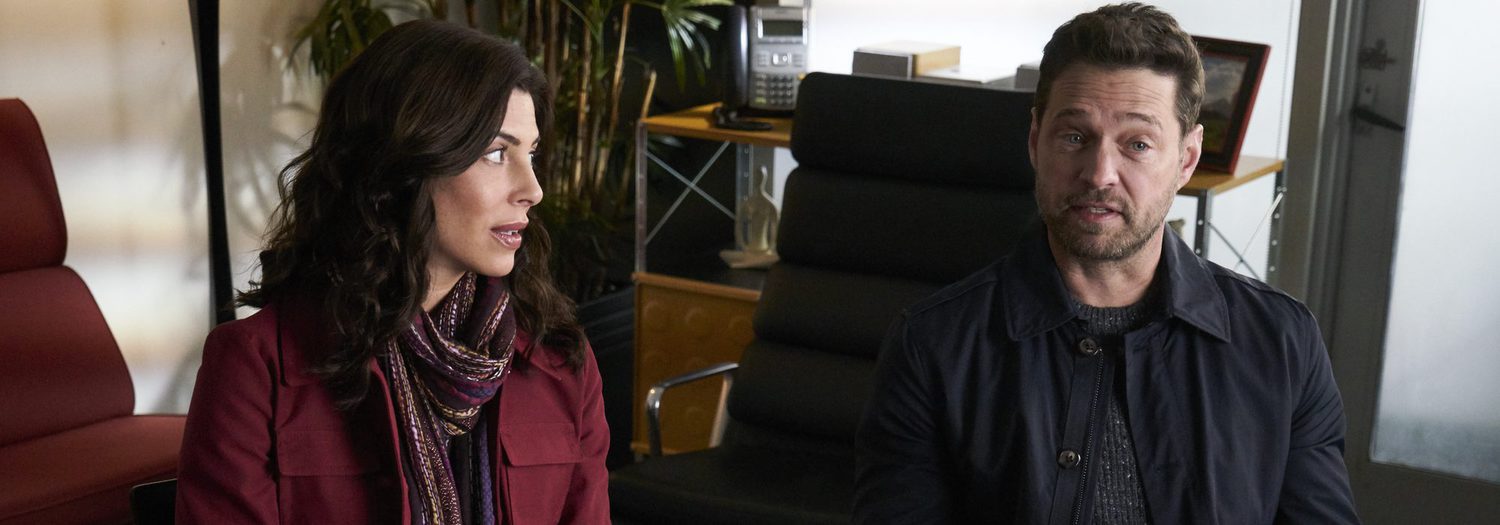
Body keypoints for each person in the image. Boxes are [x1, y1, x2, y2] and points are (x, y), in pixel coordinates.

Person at [853, 4, 1358, 523]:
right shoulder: (933, 346)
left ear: (1186, 159)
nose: (1099, 174)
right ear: (1036, 142)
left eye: (1138, 144)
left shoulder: (1281, 343)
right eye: (1075, 137)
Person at [176, 20, 609, 524]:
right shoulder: (255, 369)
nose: (532, 190)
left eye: (530, 154)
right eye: (496, 153)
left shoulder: (560, 362)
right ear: (403, 165)